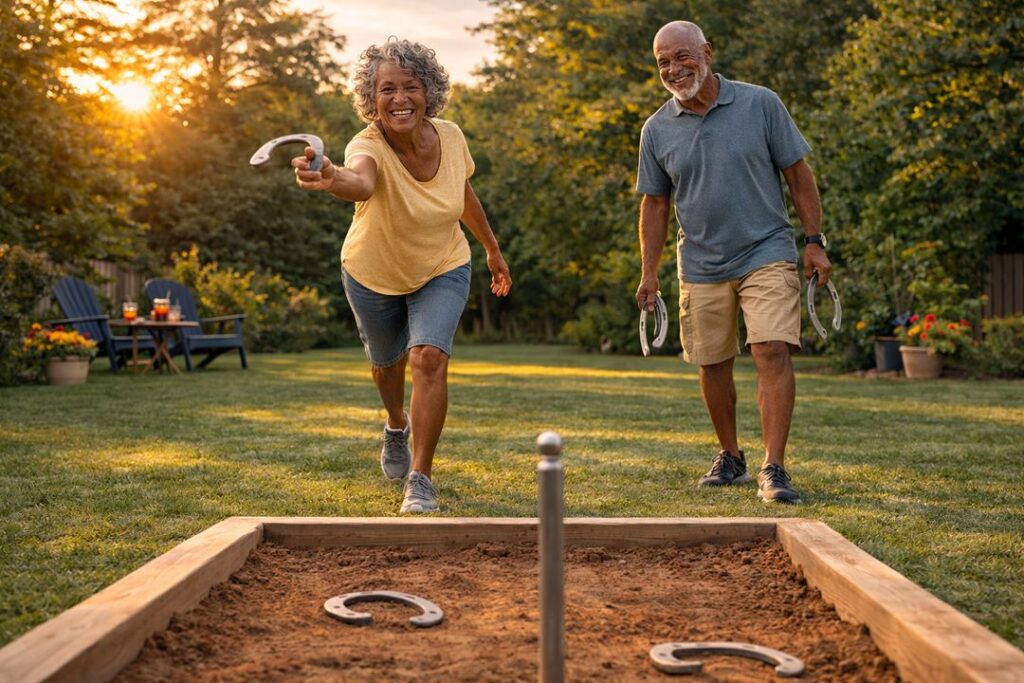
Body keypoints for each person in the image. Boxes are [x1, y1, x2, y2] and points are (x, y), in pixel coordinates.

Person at [291, 38, 512, 513]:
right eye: (386, 89)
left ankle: (420, 477)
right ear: (372, 99)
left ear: (427, 91)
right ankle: (396, 423)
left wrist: (491, 249)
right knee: (387, 365)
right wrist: (330, 175)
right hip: (373, 273)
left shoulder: (451, 136)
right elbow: (360, 181)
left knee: (428, 357)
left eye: (410, 87)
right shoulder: (365, 144)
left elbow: (463, 194)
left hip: (443, 265)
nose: (399, 99)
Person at [634, 21, 831, 503]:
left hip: (766, 249)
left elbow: (798, 174)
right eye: (664, 62)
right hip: (700, 261)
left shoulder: (760, 103)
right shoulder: (657, 130)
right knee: (712, 361)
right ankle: (731, 457)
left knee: (770, 350)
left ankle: (774, 466)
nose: (674, 69)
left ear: (706, 52)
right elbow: (655, 204)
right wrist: (648, 272)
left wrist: (814, 241)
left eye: (682, 57)